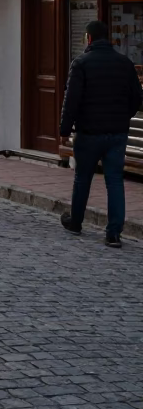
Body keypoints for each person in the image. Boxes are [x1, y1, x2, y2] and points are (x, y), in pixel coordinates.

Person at [60, 19, 142, 247]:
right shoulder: (124, 63)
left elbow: (71, 101)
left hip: (88, 132)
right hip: (116, 133)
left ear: (88, 38)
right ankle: (114, 233)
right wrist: (122, 116)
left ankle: (76, 222)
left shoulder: (81, 63)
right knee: (114, 181)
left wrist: (64, 130)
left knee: (82, 178)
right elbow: (137, 97)